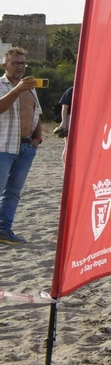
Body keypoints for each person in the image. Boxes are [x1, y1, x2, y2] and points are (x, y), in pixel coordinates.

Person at [0, 47, 44, 246]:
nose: (20, 67)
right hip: (3, 146)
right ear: (4, 65)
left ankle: (4, 230)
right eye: (15, 63)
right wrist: (17, 89)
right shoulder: (2, 85)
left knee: (13, 192)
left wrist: (37, 138)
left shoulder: (30, 86)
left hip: (26, 147)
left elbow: (36, 113)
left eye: (23, 63)